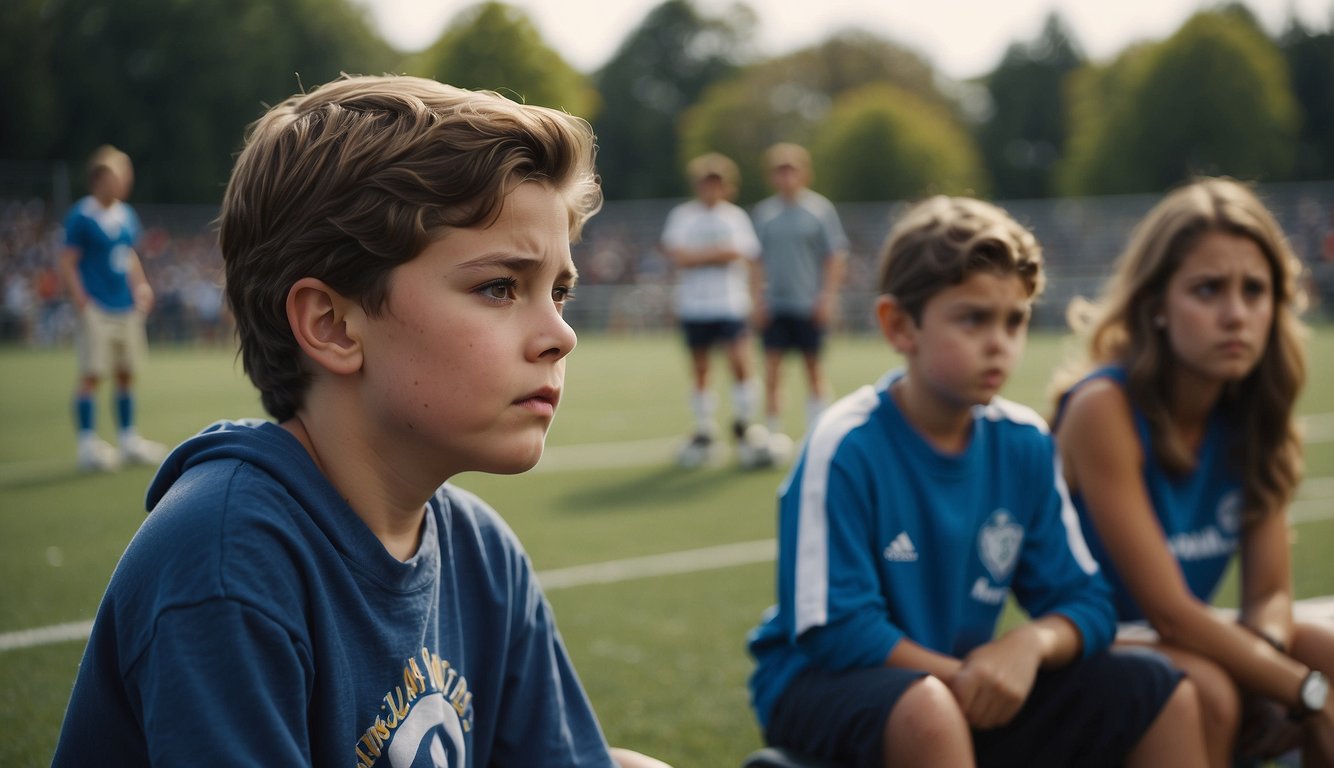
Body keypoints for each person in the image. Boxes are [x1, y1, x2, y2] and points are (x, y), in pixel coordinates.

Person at [52, 74, 669, 768]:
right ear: (333, 324)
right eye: (499, 287)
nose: (561, 334)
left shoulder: (483, 554)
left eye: (559, 292)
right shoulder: (225, 561)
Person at [745, 195, 1208, 768]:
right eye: (973, 319)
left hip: (951, 685)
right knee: (928, 710)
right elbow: (835, 630)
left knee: (1160, 687)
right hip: (821, 688)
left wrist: (1028, 644)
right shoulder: (845, 444)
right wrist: (968, 678)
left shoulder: (1026, 444)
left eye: (1014, 320)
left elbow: (1085, 601)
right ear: (899, 325)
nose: (1000, 343)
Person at [1050, 177, 1334, 767]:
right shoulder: (1102, 407)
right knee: (1209, 690)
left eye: (1254, 291)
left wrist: (1269, 657)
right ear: (1155, 305)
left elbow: (1271, 592)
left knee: (1325, 651)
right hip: (1095, 644)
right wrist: (1297, 689)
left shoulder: (1255, 409)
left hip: (1183, 637)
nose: (1236, 314)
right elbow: (1167, 610)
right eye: (1208, 290)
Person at [58, 145, 168, 471]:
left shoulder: (126, 215)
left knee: (125, 373)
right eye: (120, 174)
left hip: (124, 306)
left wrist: (141, 285)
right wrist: (80, 298)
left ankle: (128, 438)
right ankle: (87, 444)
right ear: (100, 178)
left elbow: (127, 254)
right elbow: (67, 260)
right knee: (92, 373)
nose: (125, 181)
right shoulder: (82, 215)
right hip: (97, 305)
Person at [659, 152, 768, 468]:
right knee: (700, 369)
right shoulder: (683, 216)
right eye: (706, 183)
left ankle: (744, 423)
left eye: (717, 183)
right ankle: (705, 428)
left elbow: (744, 254)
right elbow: (680, 256)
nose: (711, 189)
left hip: (729, 303)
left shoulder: (734, 217)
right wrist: (718, 253)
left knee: (740, 362)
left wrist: (702, 255)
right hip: (694, 305)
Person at [750, 143, 848, 443]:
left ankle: (818, 433)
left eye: (792, 169)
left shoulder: (819, 210)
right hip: (775, 303)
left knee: (813, 368)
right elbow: (755, 260)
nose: (787, 176)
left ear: (804, 173)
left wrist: (827, 297)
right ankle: (773, 430)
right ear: (772, 176)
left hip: (808, 303)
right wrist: (757, 300)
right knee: (772, 370)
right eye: (781, 170)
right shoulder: (764, 213)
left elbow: (834, 256)